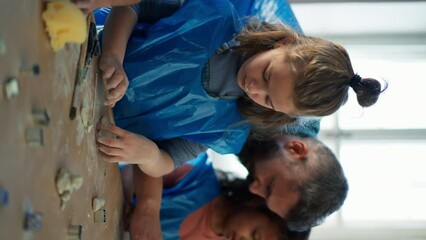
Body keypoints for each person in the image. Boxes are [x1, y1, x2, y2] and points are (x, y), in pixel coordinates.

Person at [95, 0, 384, 178]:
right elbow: (133, 5)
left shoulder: (229, 125)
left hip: (94, 125)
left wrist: (146, 155)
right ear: (283, 44)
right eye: (268, 75)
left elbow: (167, 160)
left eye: (269, 101)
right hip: (87, 54)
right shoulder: (214, 13)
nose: (254, 88)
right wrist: (113, 56)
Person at [120, 153, 288, 240]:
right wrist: (139, 207)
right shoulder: (194, 172)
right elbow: (140, 157)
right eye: (254, 235)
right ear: (255, 202)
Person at [238, 127, 348, 232]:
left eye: (265, 198)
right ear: (295, 149)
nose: (253, 189)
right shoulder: (278, 110)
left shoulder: (255, 150)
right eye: (269, 186)